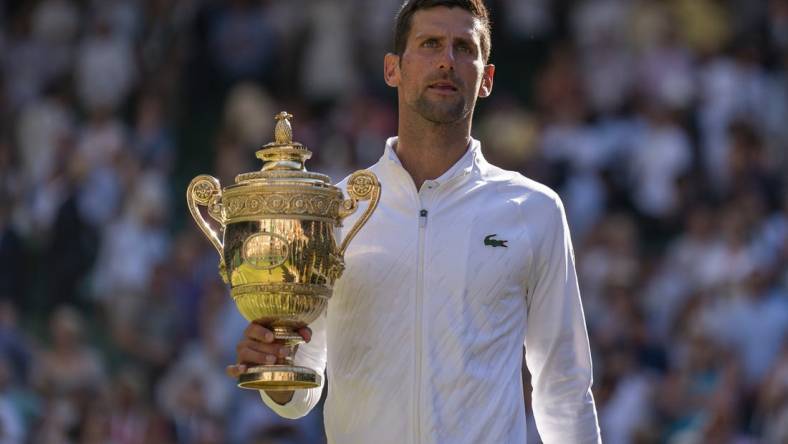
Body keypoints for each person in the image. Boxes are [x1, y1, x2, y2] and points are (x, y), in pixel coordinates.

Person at [227, 1, 601, 442]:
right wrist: (277, 368)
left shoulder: (534, 209)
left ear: (488, 79)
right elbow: (304, 378)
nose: (447, 60)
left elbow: (564, 388)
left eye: (464, 47)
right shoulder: (332, 210)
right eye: (430, 44)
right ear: (392, 69)